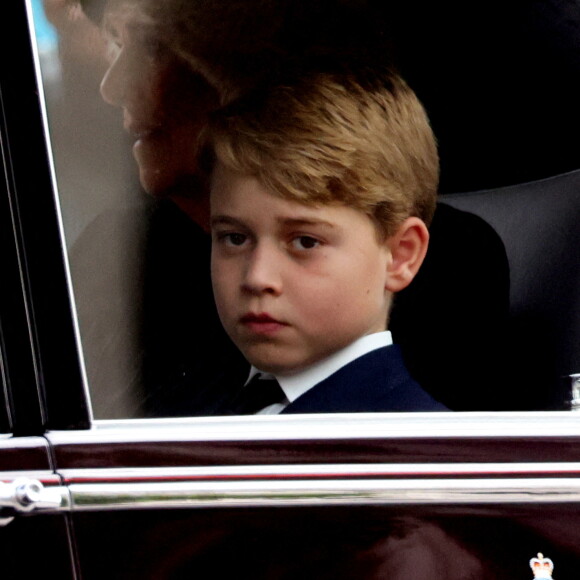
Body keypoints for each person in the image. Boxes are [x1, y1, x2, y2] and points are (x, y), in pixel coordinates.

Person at [204, 69, 447, 414]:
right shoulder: (194, 407)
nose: (257, 277)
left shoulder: (419, 451)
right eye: (235, 238)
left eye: (305, 242)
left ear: (399, 256)